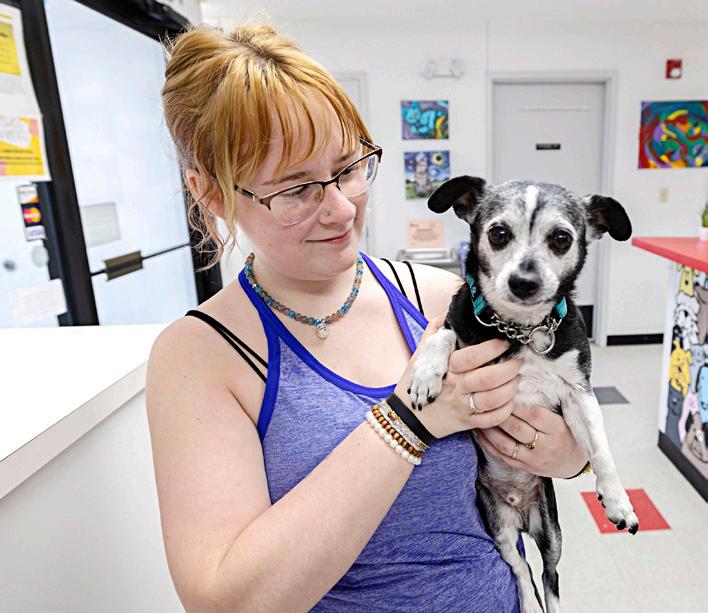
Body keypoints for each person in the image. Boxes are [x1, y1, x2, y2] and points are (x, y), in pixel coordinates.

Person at [146, 24, 588, 613]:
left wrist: (568, 455)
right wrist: (408, 421)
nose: (339, 208)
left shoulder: (438, 299)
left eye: (348, 168)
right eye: (295, 189)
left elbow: (559, 433)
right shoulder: (200, 355)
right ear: (213, 195)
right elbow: (228, 601)